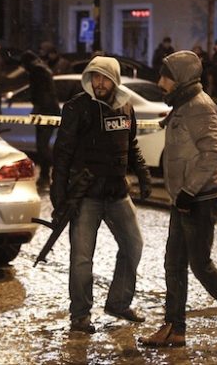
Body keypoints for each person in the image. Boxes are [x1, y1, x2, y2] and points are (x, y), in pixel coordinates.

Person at [139, 50, 217, 348]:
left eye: (165, 77)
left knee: (200, 265)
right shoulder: (182, 105)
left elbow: (213, 155)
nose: (160, 82)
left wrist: (188, 192)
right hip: (183, 199)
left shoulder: (199, 107)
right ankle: (175, 328)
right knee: (174, 263)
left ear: (180, 78)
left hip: (198, 199)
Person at [50, 56, 152, 334]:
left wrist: (143, 176)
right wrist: (58, 196)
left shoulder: (126, 107)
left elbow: (131, 146)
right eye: (94, 77)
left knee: (133, 246)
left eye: (104, 77)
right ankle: (80, 316)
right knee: (82, 259)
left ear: (114, 80)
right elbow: (62, 155)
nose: (99, 83)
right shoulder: (77, 108)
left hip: (118, 193)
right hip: (86, 197)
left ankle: (118, 302)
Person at [20, 50, 61, 190]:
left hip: (46, 112)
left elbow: (40, 93)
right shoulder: (42, 69)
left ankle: (46, 176)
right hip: (49, 110)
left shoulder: (37, 71)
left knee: (42, 146)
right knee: (43, 146)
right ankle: (46, 176)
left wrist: (37, 109)